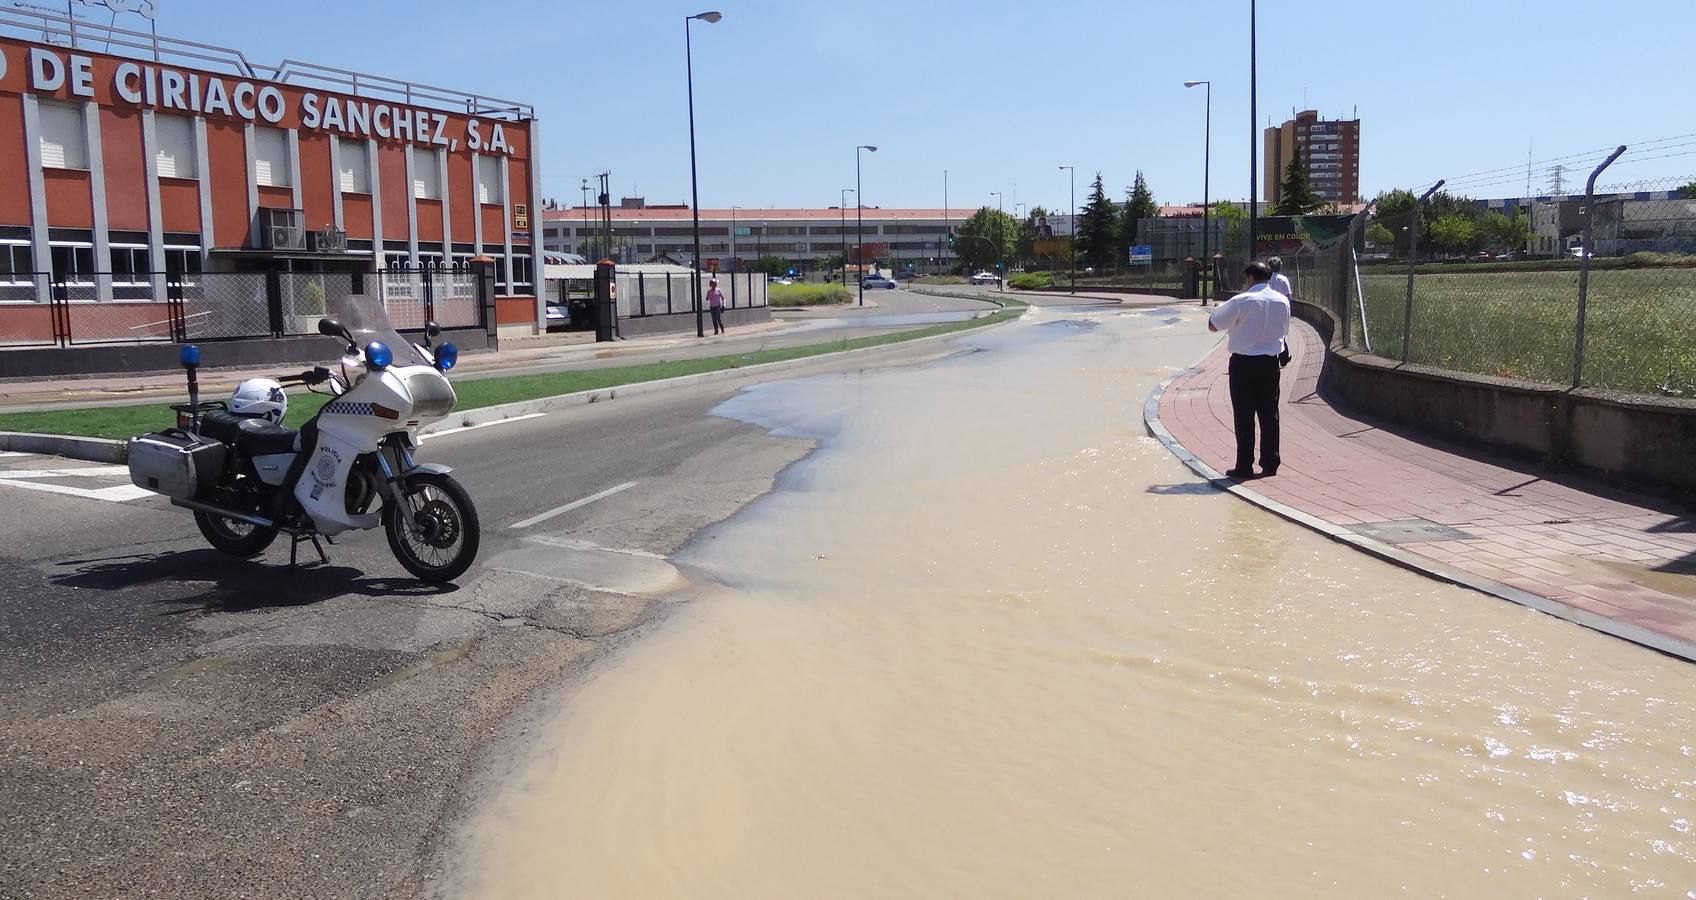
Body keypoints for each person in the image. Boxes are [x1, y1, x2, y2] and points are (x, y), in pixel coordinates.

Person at [1207, 261, 1291, 480]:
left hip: (1243, 363)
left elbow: (1213, 325)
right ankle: (1271, 462)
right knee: (1269, 413)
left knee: (1244, 415)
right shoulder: (1282, 301)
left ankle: (1244, 466)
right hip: (1270, 364)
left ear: (1250, 277)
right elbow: (1284, 331)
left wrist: (1216, 311)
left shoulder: (1240, 300)